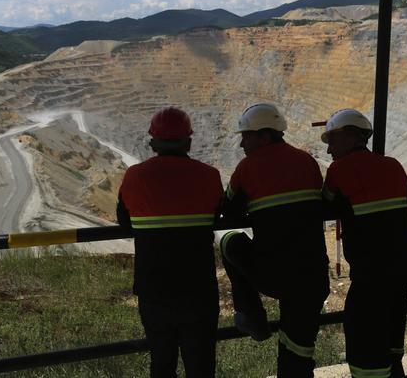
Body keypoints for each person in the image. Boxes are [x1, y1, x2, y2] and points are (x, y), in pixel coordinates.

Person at [218, 103, 330, 378]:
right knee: (298, 347)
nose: (242, 143)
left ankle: (252, 316)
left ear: (265, 136)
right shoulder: (307, 162)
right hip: (313, 275)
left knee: (228, 239)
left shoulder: (247, 168)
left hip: (275, 273)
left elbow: (228, 210)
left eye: (246, 136)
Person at [117, 107, 222, 378]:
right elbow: (218, 214)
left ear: (153, 142)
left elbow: (124, 220)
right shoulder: (210, 176)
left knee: (162, 362)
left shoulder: (135, 176)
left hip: (154, 289)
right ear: (189, 141)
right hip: (198, 288)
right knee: (201, 365)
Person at [321, 108, 407, 378]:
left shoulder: (339, 170)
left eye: (332, 142)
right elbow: (405, 202)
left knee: (363, 342)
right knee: (391, 337)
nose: (329, 152)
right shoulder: (394, 166)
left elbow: (324, 205)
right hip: (399, 273)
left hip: (370, 277)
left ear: (350, 137)